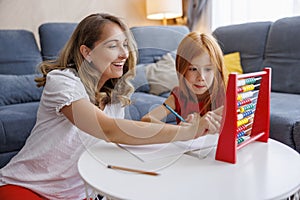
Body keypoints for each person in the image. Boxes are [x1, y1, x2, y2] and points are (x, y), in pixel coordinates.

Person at [0, 14, 221, 200]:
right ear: (87, 52)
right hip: (29, 188)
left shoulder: (115, 99)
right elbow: (108, 129)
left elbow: (122, 141)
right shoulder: (63, 80)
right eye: (113, 45)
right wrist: (187, 132)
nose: (125, 53)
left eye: (125, 45)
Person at [141, 32, 227, 127]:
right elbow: (147, 120)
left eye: (208, 69)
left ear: (217, 71)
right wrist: (180, 130)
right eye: (193, 69)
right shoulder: (179, 96)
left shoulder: (224, 94)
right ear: (182, 70)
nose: (201, 77)